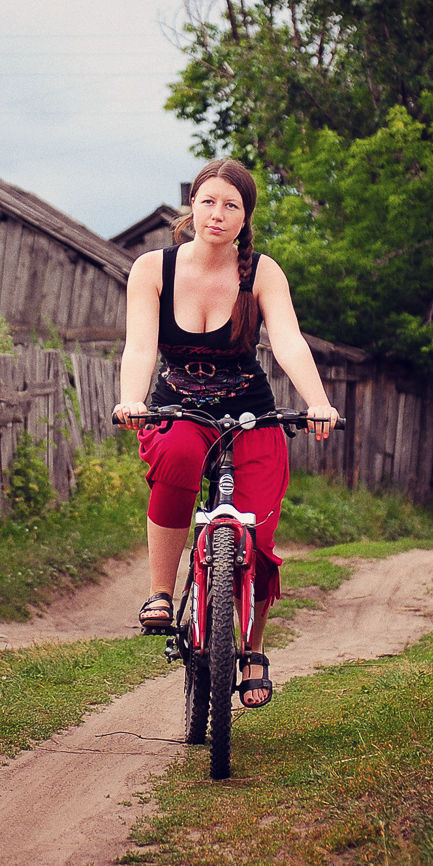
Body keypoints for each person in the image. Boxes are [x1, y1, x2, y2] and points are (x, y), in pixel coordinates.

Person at [112, 156, 338, 709]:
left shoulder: (260, 272)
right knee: (180, 459)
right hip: (177, 407)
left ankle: (254, 648)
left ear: (245, 217)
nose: (217, 214)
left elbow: (287, 341)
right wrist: (132, 399)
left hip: (249, 412)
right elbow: (140, 345)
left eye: (230, 205)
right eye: (208, 201)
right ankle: (161, 593)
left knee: (258, 538)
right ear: (192, 206)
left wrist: (317, 401)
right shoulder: (152, 269)